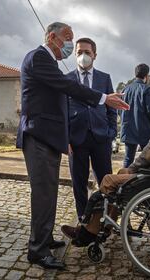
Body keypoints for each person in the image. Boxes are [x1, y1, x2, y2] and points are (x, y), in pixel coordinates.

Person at [16, 22, 129, 269]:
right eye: (68, 39)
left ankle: (44, 239)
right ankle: (37, 250)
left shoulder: (50, 62)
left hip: (50, 138)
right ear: (52, 37)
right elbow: (68, 87)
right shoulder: (38, 58)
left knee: (50, 192)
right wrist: (103, 98)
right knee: (44, 194)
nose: (71, 47)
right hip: (39, 136)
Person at [61, 80, 150, 246]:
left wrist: (134, 167)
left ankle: (88, 233)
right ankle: (104, 226)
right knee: (120, 178)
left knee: (109, 180)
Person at [66, 37, 117, 220]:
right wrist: (66, 139)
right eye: (79, 52)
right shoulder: (67, 79)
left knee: (106, 181)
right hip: (76, 140)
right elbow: (63, 110)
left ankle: (104, 218)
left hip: (101, 138)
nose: (83, 56)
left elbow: (112, 109)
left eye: (87, 52)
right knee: (78, 183)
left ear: (95, 55)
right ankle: (83, 220)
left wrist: (111, 133)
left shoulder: (104, 78)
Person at [120, 63, 150, 167]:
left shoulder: (125, 89)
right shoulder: (146, 89)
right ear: (146, 75)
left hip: (128, 129)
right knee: (147, 159)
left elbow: (119, 109)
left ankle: (124, 181)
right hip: (144, 130)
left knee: (128, 159)